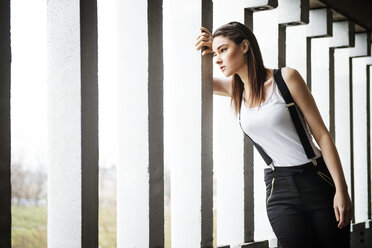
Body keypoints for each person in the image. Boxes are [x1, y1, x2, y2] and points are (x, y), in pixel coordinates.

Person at [194, 21, 353, 248]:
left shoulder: (286, 78)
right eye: (216, 53)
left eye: (224, 50)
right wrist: (205, 54)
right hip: (279, 188)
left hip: (316, 179)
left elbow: (322, 135)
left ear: (245, 46)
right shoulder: (235, 90)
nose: (218, 59)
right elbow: (200, 83)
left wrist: (342, 190)